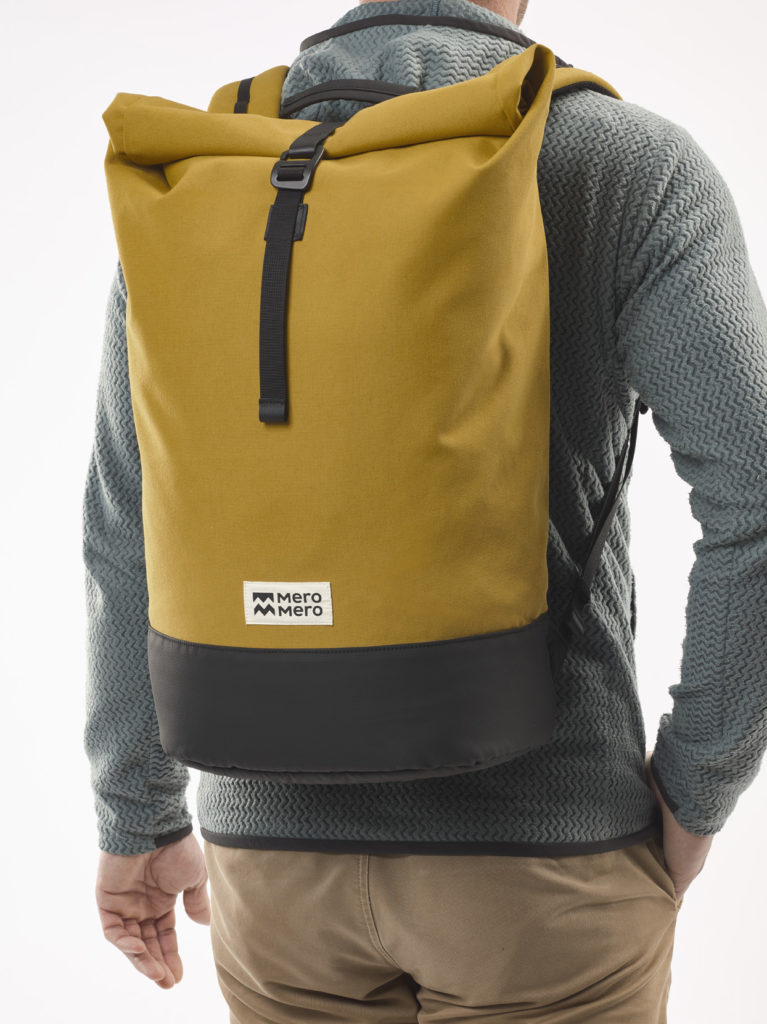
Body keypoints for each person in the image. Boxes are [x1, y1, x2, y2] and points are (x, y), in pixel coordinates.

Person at [83, 0, 767, 1019]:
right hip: (544, 863)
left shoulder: (209, 166)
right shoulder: (619, 162)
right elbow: (753, 491)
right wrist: (698, 785)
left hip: (269, 873)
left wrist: (136, 812)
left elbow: (126, 516)